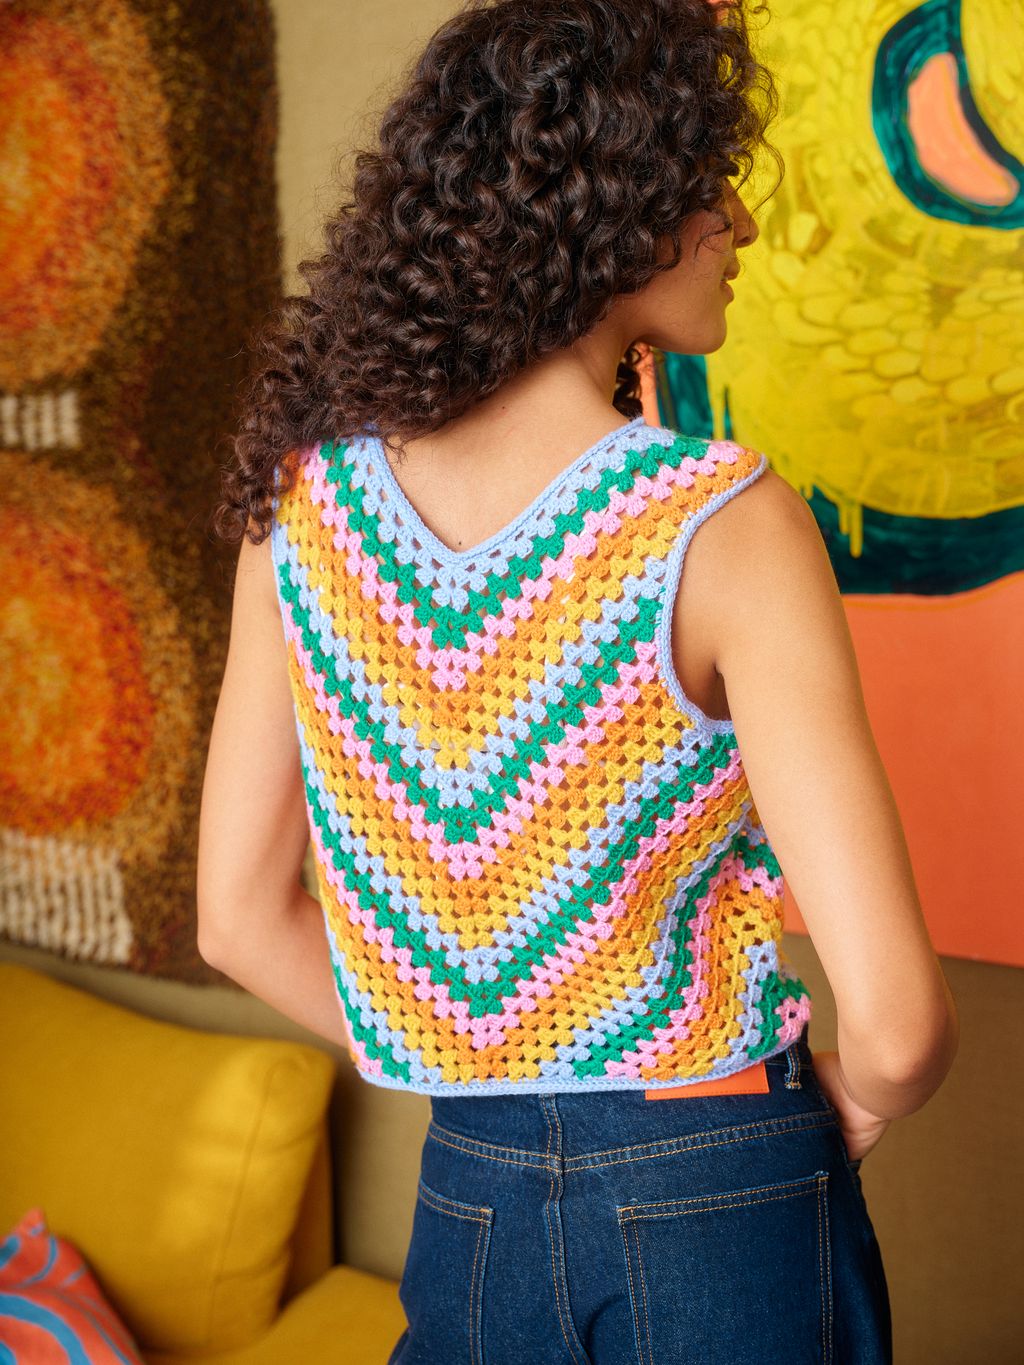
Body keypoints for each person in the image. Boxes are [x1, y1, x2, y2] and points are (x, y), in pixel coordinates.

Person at [198, 1, 959, 1360]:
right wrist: (849, 1104)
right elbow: (899, 1027)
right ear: (606, 211)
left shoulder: (301, 508)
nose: (739, 223)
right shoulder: (718, 520)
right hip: (721, 1179)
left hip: (468, 1193)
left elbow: (238, 922)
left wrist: (497, 1056)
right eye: (705, 182)